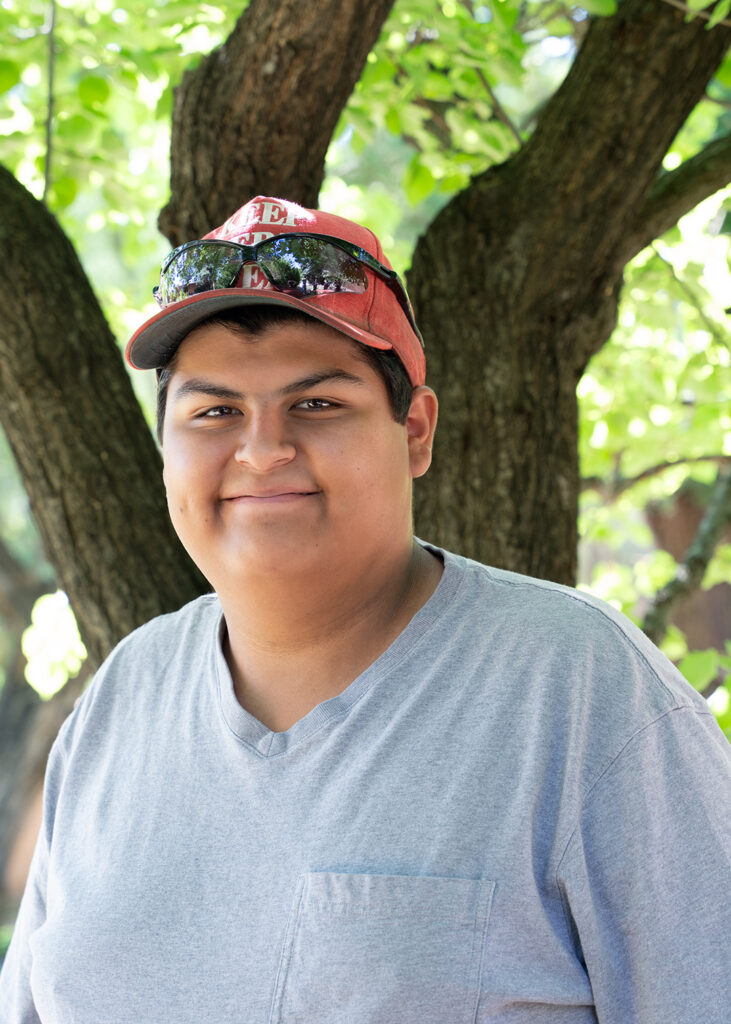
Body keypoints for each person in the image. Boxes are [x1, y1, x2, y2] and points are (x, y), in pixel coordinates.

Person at [1, 195, 729, 1024]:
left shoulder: (577, 690)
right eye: (214, 412)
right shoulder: (123, 697)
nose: (262, 449)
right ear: (166, 447)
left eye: (317, 405)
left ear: (414, 432)